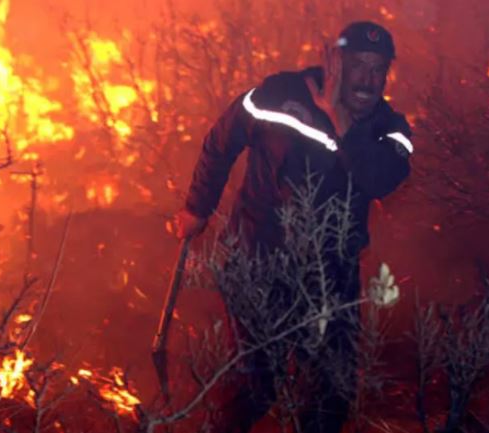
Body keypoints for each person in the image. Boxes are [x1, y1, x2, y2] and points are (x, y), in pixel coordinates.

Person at [174, 21, 413, 433]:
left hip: (330, 276)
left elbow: (381, 179)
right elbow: (221, 140)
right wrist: (197, 208)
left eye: (378, 69)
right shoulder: (277, 95)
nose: (367, 80)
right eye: (358, 66)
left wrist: (340, 122)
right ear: (335, 61)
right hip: (258, 260)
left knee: (331, 393)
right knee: (254, 387)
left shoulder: (390, 129)